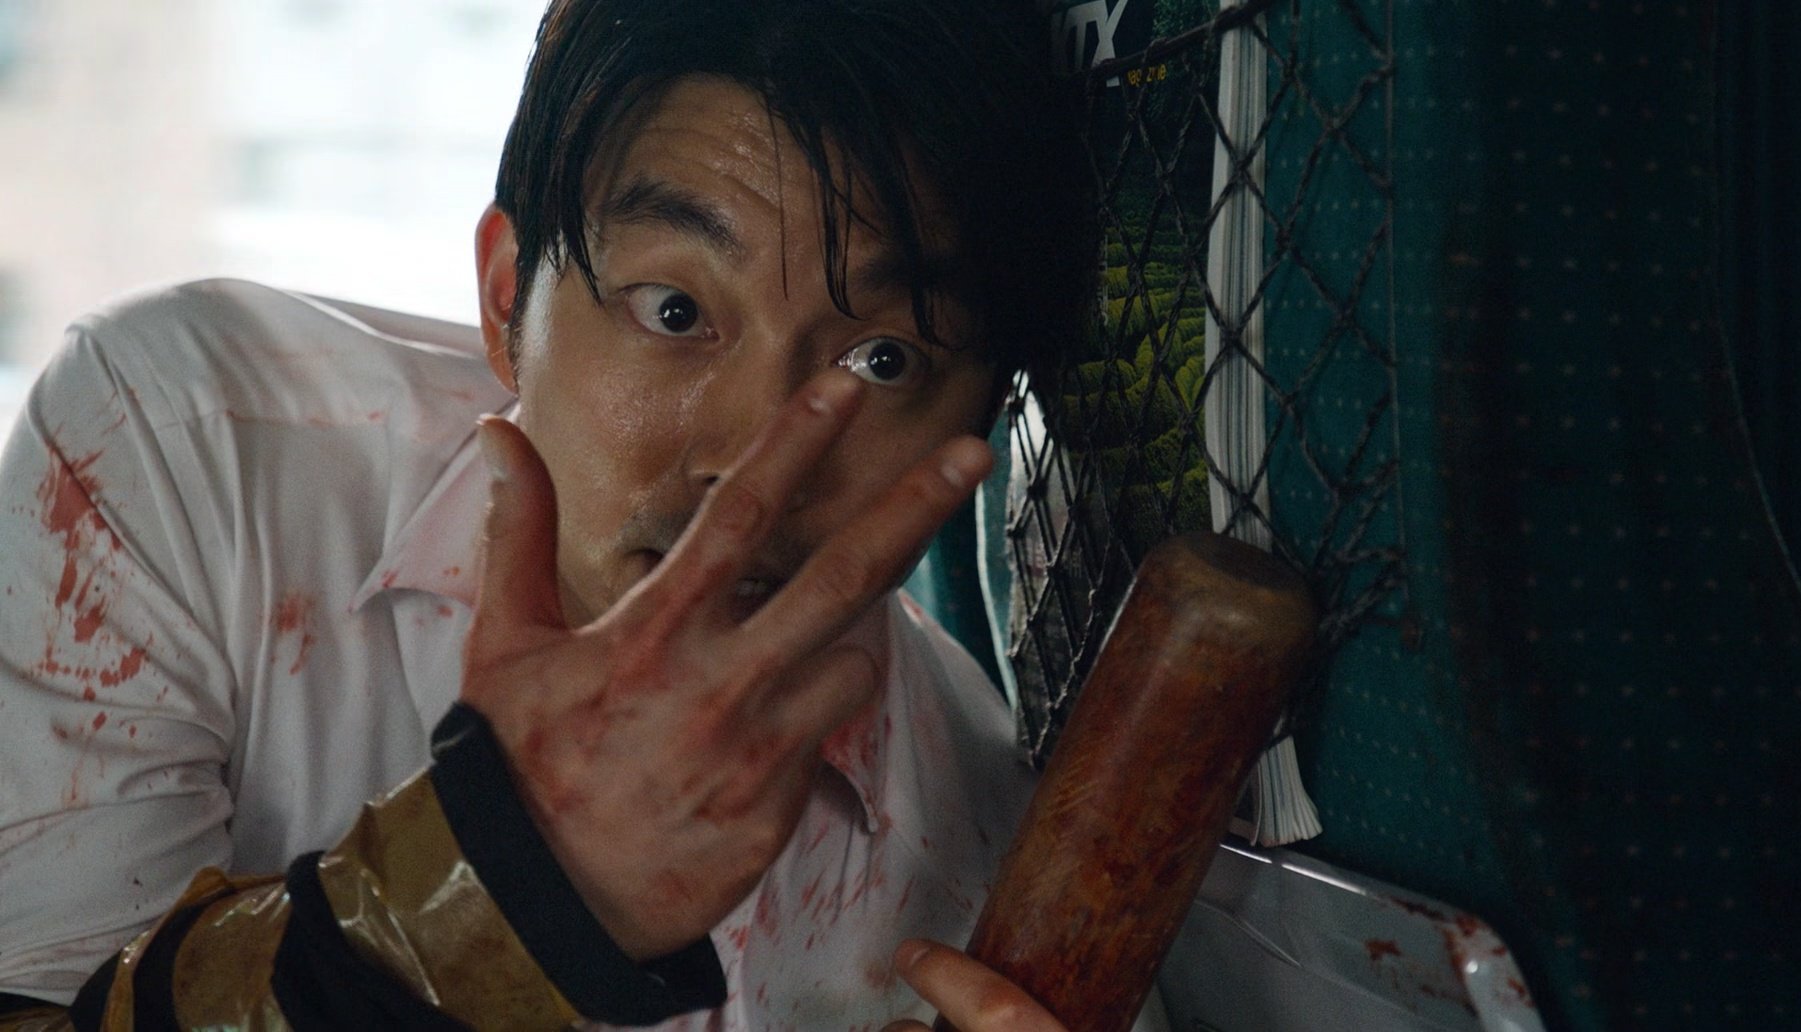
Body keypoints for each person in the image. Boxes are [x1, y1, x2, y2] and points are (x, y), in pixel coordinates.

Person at [0, 0, 1109, 1027]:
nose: (748, 460)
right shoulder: (185, 451)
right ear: (506, 300)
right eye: (672, 310)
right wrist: (510, 883)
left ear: (989, 415)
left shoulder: (997, 876)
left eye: (883, 359)